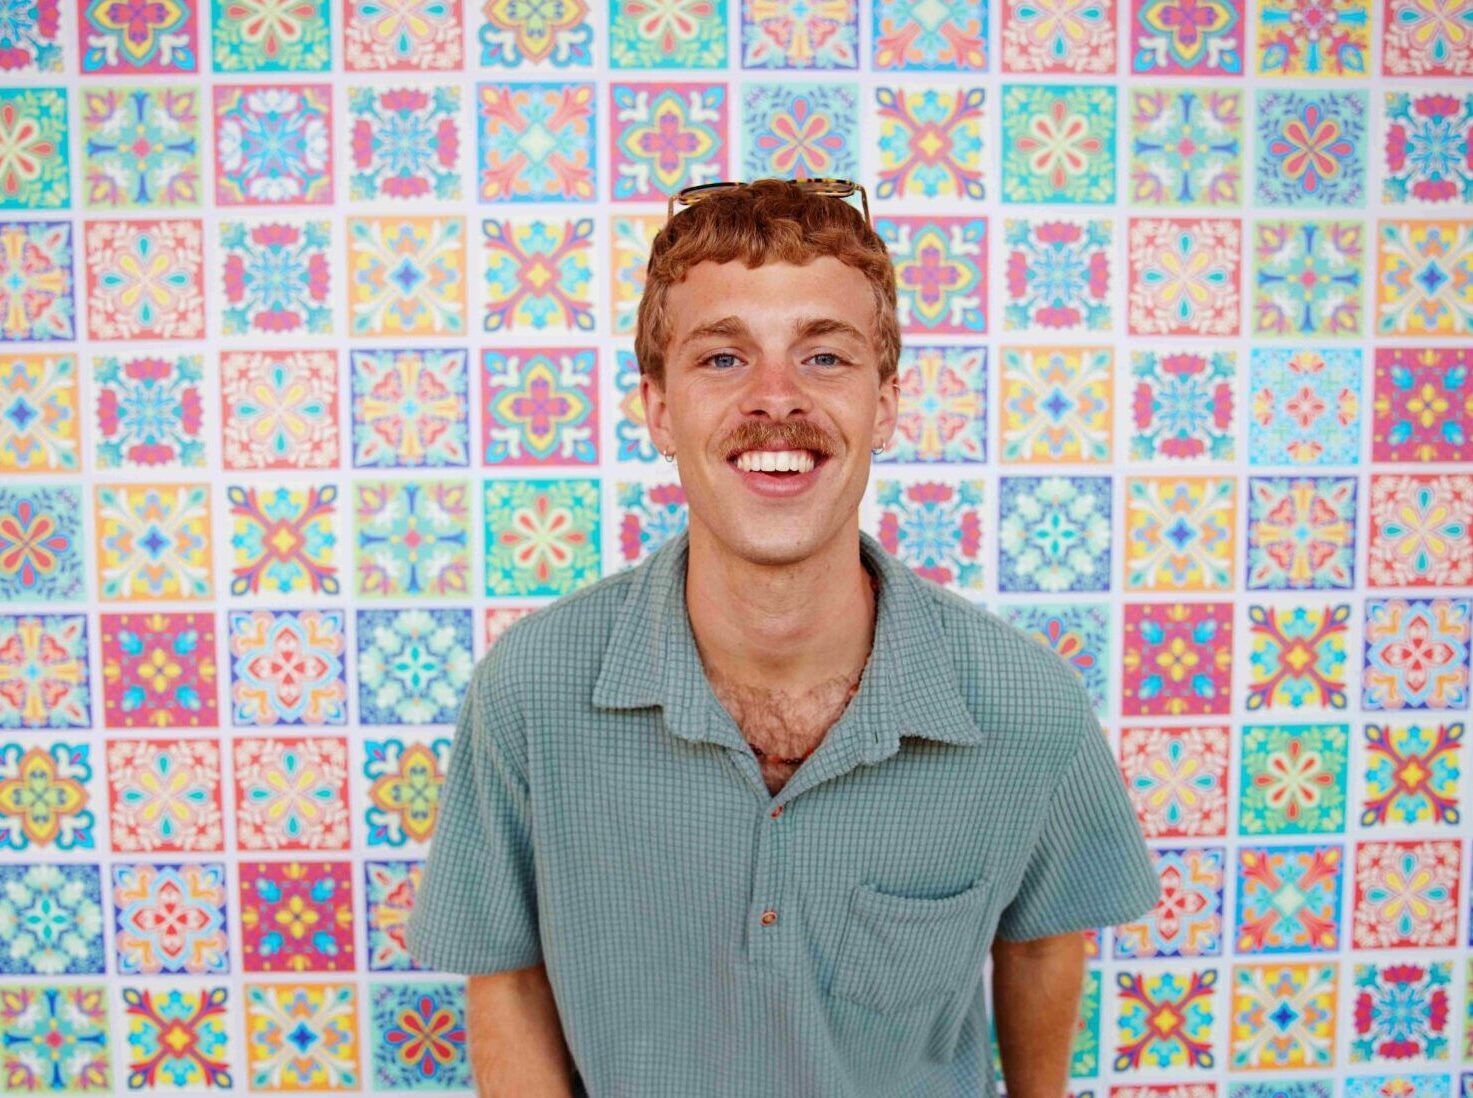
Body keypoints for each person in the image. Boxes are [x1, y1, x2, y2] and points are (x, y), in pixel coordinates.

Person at [405, 178, 1160, 1096]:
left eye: (824, 358)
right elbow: (509, 982)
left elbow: (1041, 948)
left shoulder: (1024, 704)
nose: (775, 399)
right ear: (656, 408)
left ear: (884, 406)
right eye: (722, 359)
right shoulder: (529, 692)